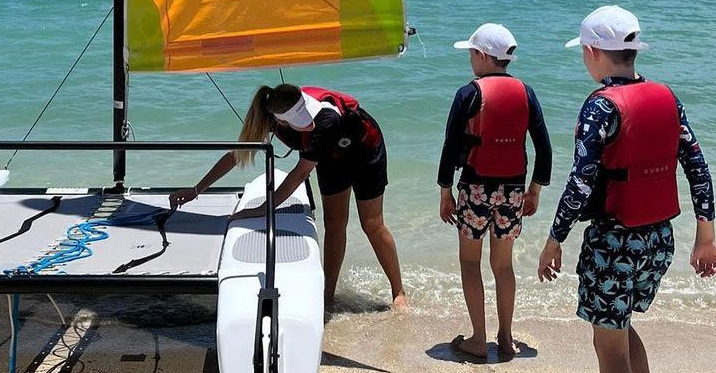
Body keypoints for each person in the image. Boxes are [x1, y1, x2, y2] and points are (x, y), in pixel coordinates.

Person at [537, 5, 716, 373]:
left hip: (613, 244)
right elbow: (698, 167)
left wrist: (554, 238)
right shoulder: (668, 97)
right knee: (620, 329)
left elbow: (580, 181)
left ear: (591, 52)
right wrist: (706, 237)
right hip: (657, 242)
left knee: (608, 348)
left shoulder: (600, 107)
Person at [169, 83, 408, 310]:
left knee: (372, 224)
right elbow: (237, 154)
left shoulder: (326, 119)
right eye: (300, 123)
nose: (307, 124)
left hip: (365, 150)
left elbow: (299, 173)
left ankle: (398, 292)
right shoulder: (272, 114)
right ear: (279, 121)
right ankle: (328, 295)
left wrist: (265, 208)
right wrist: (197, 189)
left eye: (306, 118)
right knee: (334, 225)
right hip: (330, 158)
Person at [439, 23, 552, 361]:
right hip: (514, 188)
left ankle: (477, 338)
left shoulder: (468, 93)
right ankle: (505, 336)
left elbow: (450, 147)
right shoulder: (527, 93)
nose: (471, 60)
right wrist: (534, 191)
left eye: (472, 53)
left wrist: (445, 191)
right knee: (503, 265)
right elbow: (544, 149)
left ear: (484, 56)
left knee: (469, 261)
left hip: (475, 186)